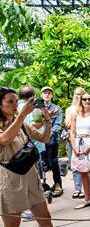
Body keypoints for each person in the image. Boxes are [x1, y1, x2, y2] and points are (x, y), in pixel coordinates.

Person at [0, 86, 53, 227]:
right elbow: (4, 139)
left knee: (45, 218)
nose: (15, 105)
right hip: (10, 178)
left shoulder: (21, 123)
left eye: (16, 101)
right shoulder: (18, 120)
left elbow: (44, 138)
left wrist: (47, 121)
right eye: (10, 102)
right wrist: (22, 115)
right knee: (12, 224)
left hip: (30, 174)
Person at [70, 93, 90, 212]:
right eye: (84, 99)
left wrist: (89, 147)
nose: (87, 101)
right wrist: (74, 147)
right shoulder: (75, 114)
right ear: (81, 101)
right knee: (83, 172)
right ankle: (87, 198)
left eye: (89, 99)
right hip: (78, 143)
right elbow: (72, 132)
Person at [41, 86, 64, 197]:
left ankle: (58, 184)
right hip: (38, 140)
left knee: (53, 162)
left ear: (51, 95)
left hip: (51, 140)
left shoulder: (57, 109)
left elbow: (58, 124)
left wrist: (49, 133)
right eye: (45, 93)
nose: (47, 95)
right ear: (41, 95)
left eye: (49, 93)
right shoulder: (36, 108)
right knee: (40, 163)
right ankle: (42, 185)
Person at [65, 87, 85, 199]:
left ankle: (85, 188)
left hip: (84, 139)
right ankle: (78, 188)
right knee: (75, 164)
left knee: (85, 164)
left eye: (79, 94)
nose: (76, 96)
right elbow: (67, 124)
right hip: (73, 139)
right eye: (75, 94)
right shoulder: (69, 109)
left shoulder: (86, 108)